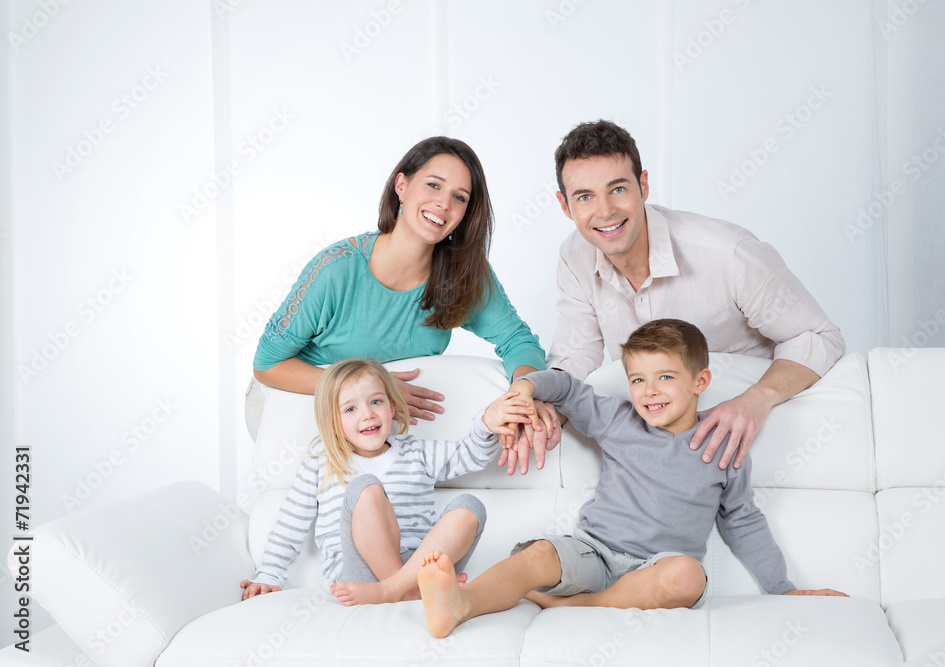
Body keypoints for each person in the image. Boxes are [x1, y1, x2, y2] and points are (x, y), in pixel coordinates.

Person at [417, 319, 846, 638]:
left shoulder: (722, 446)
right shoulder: (619, 420)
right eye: (638, 379)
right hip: (593, 551)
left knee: (687, 577)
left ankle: (576, 606)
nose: (649, 391)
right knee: (540, 555)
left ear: (701, 381)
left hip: (655, 568)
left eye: (665, 377)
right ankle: (460, 605)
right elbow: (566, 389)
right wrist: (527, 388)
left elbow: (743, 520)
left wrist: (783, 589)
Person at [545, 120, 846, 470]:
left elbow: (819, 336)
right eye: (585, 197)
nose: (605, 211)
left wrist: (756, 400)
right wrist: (545, 405)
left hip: (758, 429)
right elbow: (574, 353)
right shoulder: (575, 255)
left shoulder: (728, 254)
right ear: (565, 206)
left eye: (617, 189)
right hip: (664, 442)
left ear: (643, 186)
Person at [247, 136, 556, 444]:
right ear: (401, 186)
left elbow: (518, 341)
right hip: (296, 408)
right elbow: (267, 364)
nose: (444, 204)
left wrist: (525, 394)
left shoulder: (464, 274)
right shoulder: (336, 269)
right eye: (434, 185)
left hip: (378, 431)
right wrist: (368, 386)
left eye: (459, 197)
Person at [239, 358, 539, 606]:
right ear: (333, 421)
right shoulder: (321, 462)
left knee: (470, 507)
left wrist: (487, 422)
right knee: (365, 489)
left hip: (422, 567)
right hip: (360, 573)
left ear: (392, 408)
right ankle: (411, 594)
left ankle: (402, 589)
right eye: (350, 408)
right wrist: (269, 574)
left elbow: (470, 455)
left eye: (376, 401)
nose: (367, 414)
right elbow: (290, 526)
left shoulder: (417, 452)